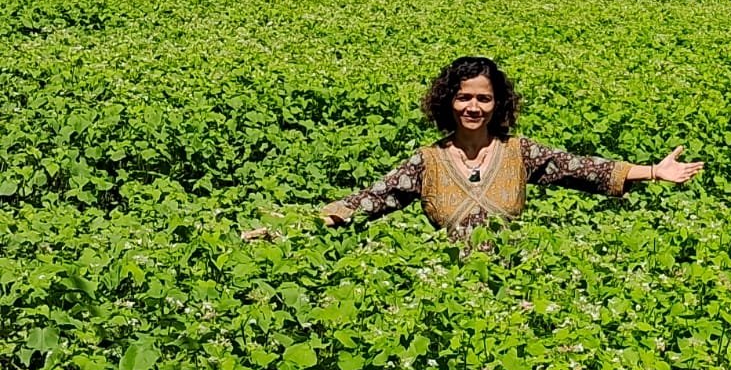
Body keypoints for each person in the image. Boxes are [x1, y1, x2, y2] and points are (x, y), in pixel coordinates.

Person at [248, 57, 702, 244]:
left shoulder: (518, 153)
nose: (473, 107)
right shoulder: (427, 162)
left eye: (483, 98)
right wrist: (290, 230)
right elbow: (368, 202)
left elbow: (581, 169)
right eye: (464, 97)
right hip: (447, 291)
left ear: (497, 104)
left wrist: (652, 172)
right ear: (448, 101)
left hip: (514, 287)